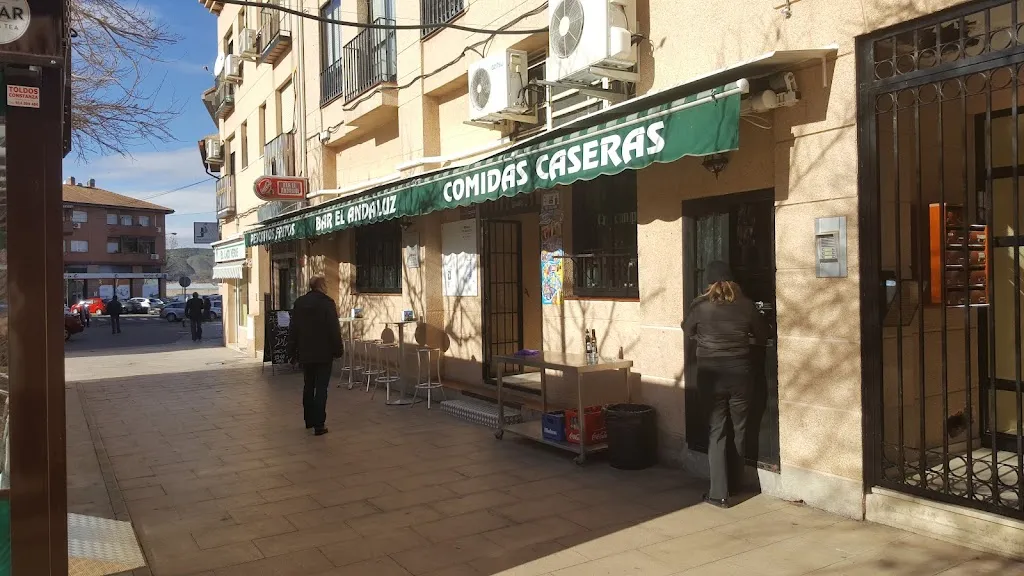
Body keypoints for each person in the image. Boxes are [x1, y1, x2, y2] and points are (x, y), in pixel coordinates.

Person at [682, 261, 768, 509]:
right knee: (740, 428)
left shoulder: (699, 306)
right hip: (741, 375)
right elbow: (763, 334)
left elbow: (687, 329)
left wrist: (701, 337)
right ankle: (737, 483)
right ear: (733, 282)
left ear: (709, 283)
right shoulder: (747, 305)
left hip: (711, 376)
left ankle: (719, 493)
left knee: (716, 431)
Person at [288, 276, 342, 436]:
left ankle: (309, 420)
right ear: (321, 286)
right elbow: (334, 329)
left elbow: (294, 328)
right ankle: (319, 424)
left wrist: (291, 351)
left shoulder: (299, 303)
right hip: (323, 353)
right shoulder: (327, 303)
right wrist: (338, 349)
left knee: (308, 385)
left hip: (305, 352)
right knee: (321, 388)